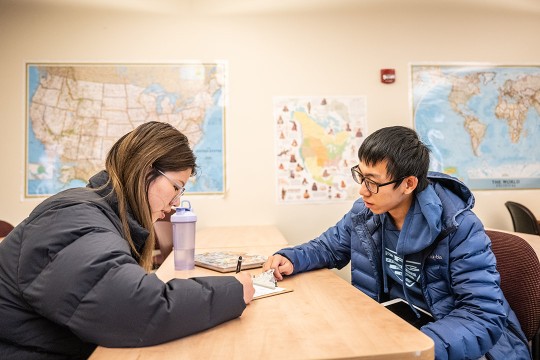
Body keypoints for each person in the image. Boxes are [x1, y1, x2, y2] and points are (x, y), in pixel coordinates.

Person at [264, 126, 530, 360]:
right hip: (396, 327)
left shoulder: (460, 227)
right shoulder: (366, 213)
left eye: (373, 182)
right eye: (361, 176)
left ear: (408, 184)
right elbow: (329, 247)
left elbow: (482, 316)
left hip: (456, 344)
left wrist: (418, 345)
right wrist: (292, 257)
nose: (362, 190)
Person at [0, 121, 255, 359]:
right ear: (146, 171)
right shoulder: (75, 218)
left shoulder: (99, 211)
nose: (176, 202)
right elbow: (136, 308)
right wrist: (232, 291)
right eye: (176, 187)